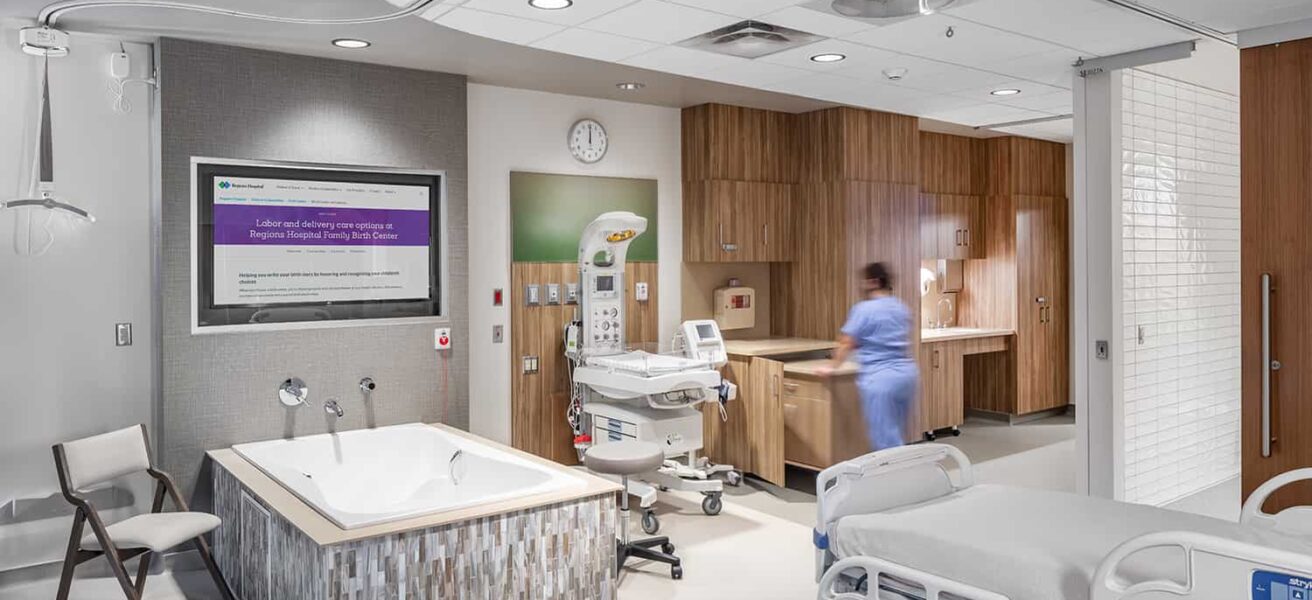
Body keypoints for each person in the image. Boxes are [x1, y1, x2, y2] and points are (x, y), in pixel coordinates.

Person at [815, 263, 918, 451]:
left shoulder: (864, 309)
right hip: (907, 375)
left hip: (881, 379)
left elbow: (847, 342)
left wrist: (832, 367)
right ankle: (901, 473)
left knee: (885, 439)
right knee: (897, 432)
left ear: (873, 282)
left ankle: (891, 478)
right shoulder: (901, 307)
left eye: (865, 282)